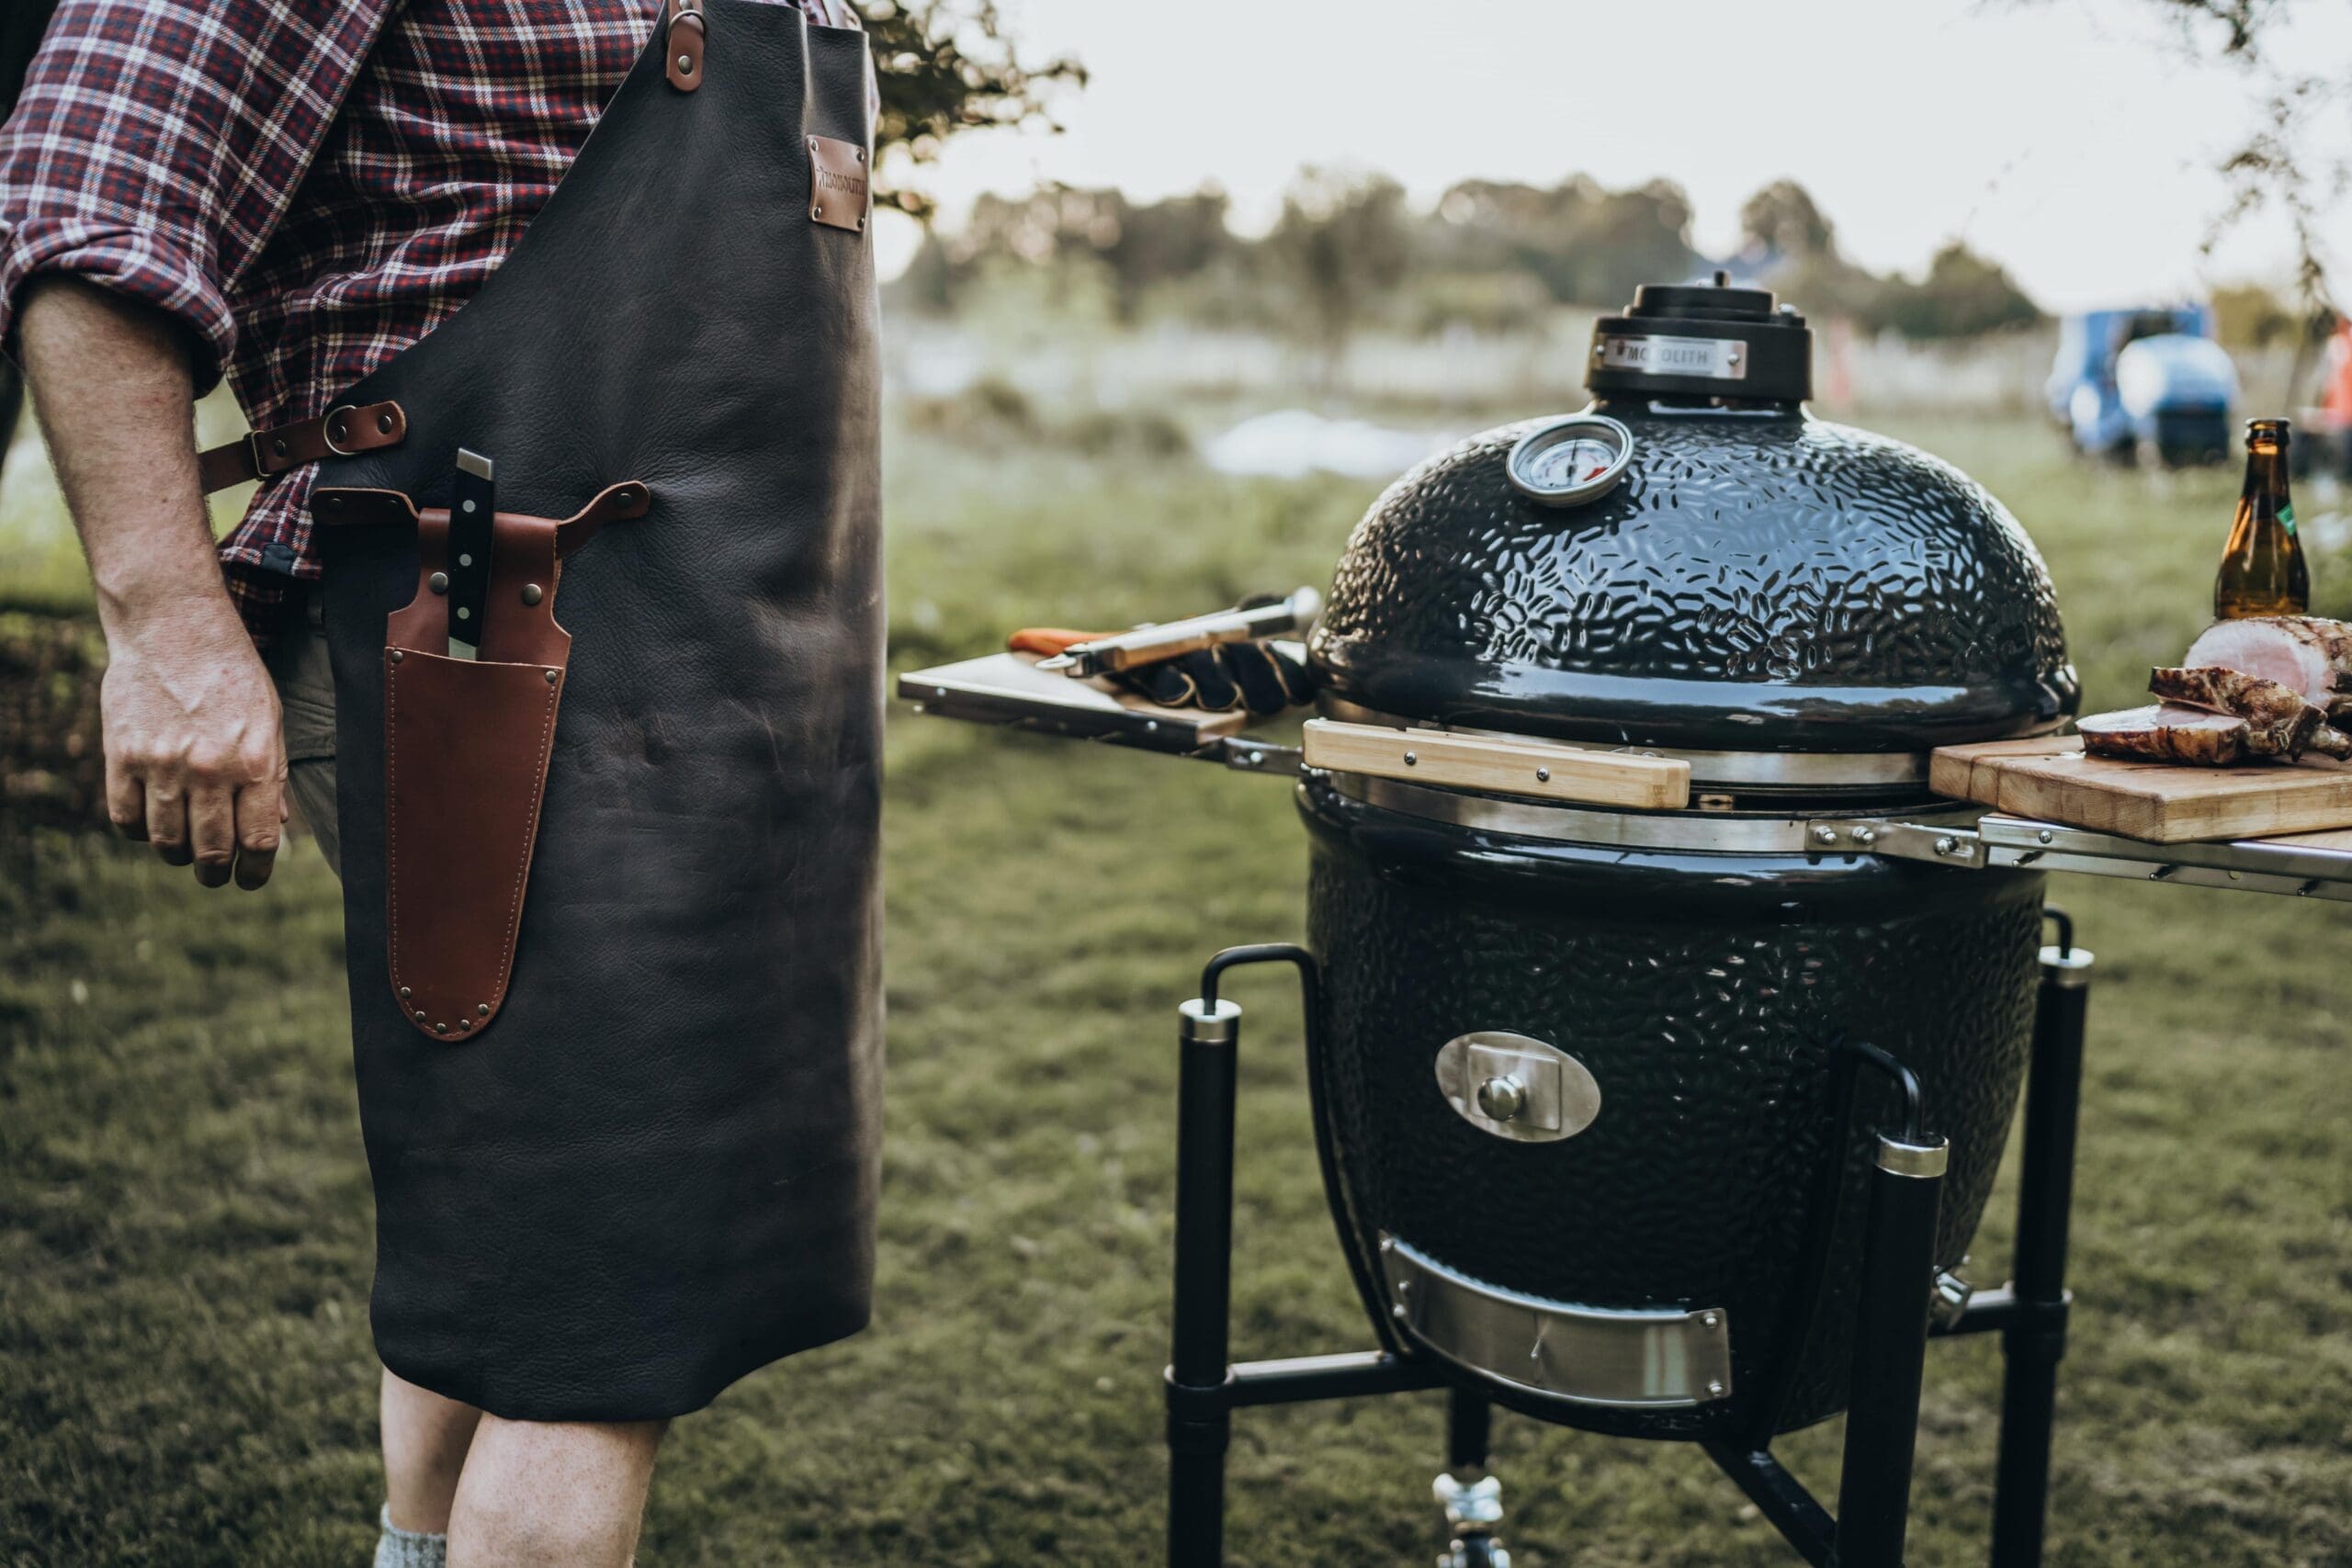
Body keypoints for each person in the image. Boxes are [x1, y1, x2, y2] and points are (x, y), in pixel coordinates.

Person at [1, 4, 880, 1565]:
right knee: (597, 1318)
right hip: (487, 662)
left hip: (735, 681)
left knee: (517, 1227)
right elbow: (92, 189)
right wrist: (164, 621)